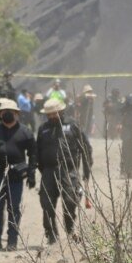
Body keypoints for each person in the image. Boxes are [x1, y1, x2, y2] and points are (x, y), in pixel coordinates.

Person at [33, 97, 92, 244]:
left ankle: (70, 230)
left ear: (61, 111)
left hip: (68, 171)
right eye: (49, 114)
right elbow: (37, 151)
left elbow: (85, 149)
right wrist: (42, 169)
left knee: (70, 201)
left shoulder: (73, 126)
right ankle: (51, 236)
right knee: (46, 204)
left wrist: (86, 170)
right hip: (48, 171)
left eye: (55, 113)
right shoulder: (43, 129)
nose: (52, 116)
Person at [0, 98, 35, 251]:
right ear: (0, 113)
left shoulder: (25, 132)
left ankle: (12, 241)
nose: (7, 114)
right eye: (4, 112)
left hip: (16, 178)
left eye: (11, 112)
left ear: (17, 114)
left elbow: (33, 154)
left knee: (14, 209)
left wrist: (31, 174)